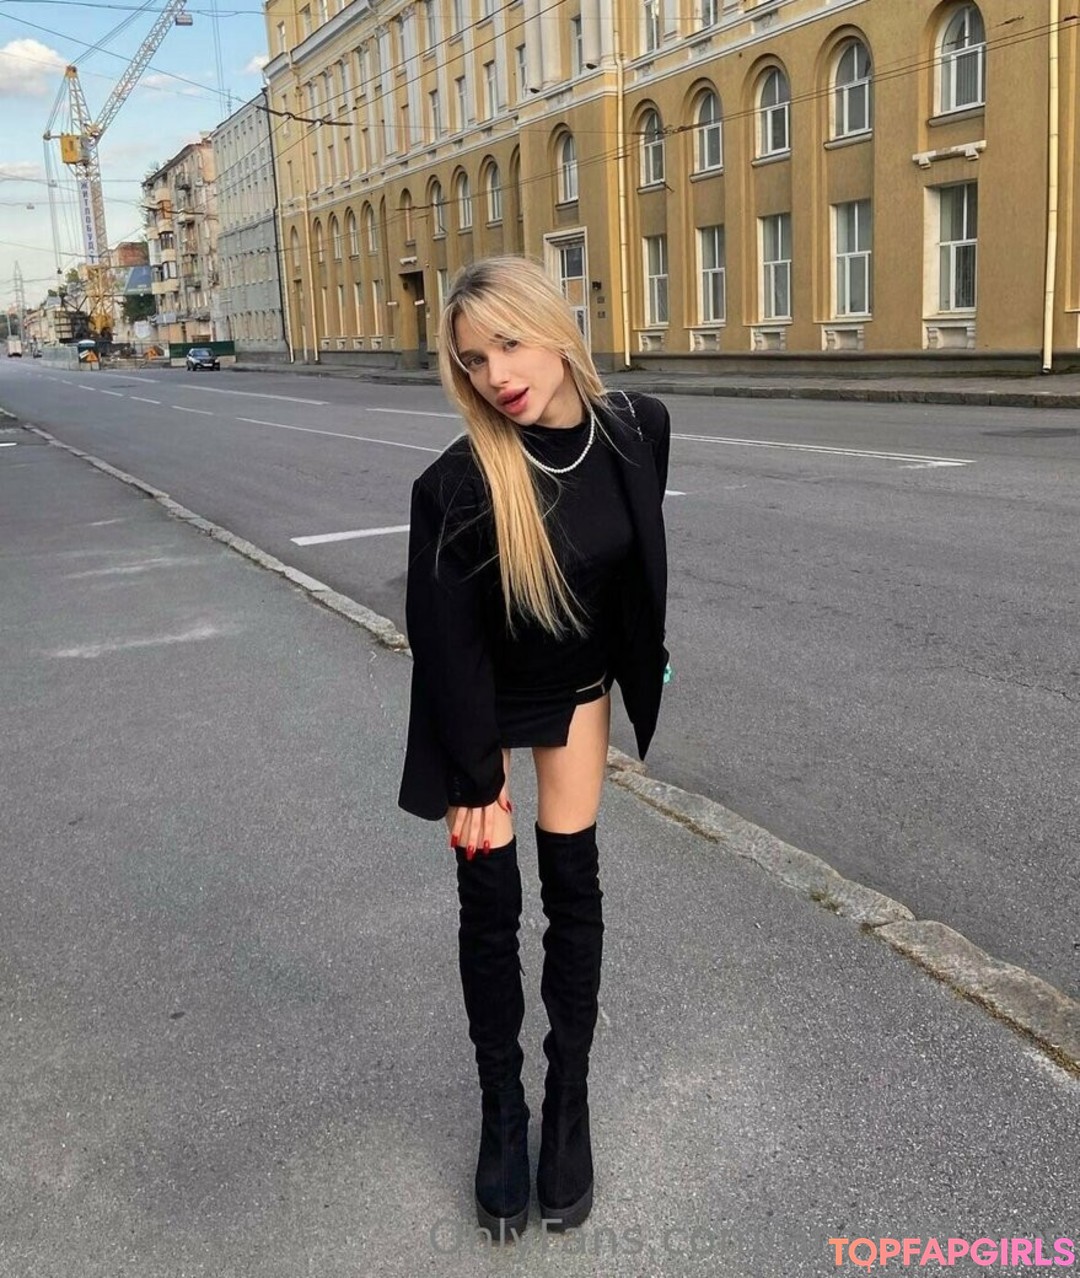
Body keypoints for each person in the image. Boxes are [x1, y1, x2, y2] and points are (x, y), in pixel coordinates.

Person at [398, 256, 670, 1242]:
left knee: (573, 891)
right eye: (474, 360)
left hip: (575, 689)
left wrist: (645, 662)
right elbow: (446, 642)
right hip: (478, 697)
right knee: (489, 906)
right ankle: (502, 1116)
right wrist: (475, 774)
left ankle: (567, 1108)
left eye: (508, 344)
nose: (496, 375)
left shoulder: (638, 429)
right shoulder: (460, 482)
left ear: (555, 327)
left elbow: (630, 566)